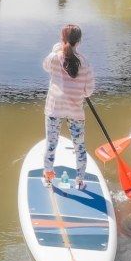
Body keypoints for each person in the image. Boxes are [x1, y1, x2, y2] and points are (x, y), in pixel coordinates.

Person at [42, 24, 95, 189]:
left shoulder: (53, 58)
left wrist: (55, 49)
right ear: (78, 41)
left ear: (62, 38)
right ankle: (79, 181)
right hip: (75, 111)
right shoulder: (85, 63)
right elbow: (88, 92)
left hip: (54, 109)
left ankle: (49, 178)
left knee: (51, 144)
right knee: (79, 145)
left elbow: (45, 67)